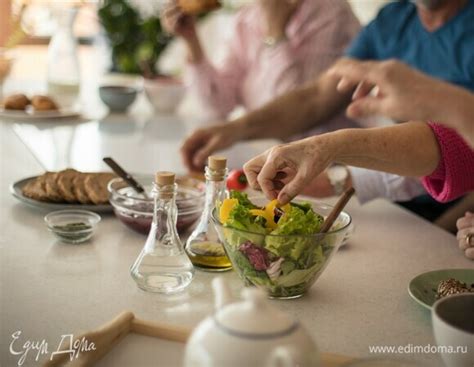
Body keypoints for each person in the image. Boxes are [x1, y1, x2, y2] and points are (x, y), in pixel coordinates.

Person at [181, 0, 474, 216]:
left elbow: (460, 150)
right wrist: (236, 128)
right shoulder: (393, 20)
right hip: (395, 198)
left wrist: (444, 230)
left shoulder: (330, 12)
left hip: (445, 212)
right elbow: (317, 96)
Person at [162, 0, 359, 119]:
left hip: (322, 169)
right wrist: (191, 40)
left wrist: (275, 32)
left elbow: (292, 117)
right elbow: (217, 106)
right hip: (262, 157)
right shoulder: (247, 17)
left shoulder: (331, 13)